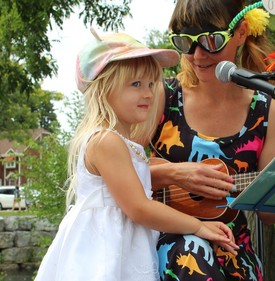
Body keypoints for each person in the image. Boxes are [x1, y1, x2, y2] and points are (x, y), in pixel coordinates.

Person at [34, 28, 239, 281]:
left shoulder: (124, 143)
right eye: (136, 84)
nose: (149, 93)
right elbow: (139, 208)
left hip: (124, 247)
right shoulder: (105, 140)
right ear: (104, 89)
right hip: (104, 255)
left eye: (151, 84)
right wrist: (198, 226)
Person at [149, 0, 275, 280]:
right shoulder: (160, 97)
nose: (197, 55)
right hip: (162, 239)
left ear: (240, 33)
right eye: (185, 42)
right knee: (189, 250)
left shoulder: (269, 112)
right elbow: (114, 173)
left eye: (211, 40)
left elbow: (270, 216)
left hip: (232, 246)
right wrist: (177, 173)